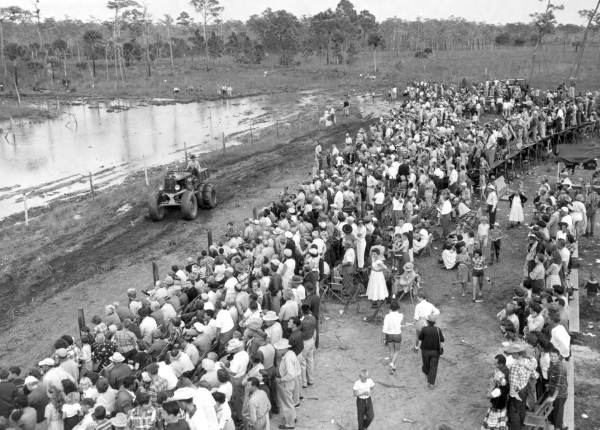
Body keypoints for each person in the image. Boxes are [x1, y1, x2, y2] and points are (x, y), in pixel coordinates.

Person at [274, 339, 300, 429]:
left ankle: (289, 424)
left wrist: (281, 380)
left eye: (279, 349)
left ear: (284, 349)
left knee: (286, 403)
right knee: (290, 402)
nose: (277, 351)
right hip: (290, 383)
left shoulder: (288, 359)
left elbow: (291, 374)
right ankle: (293, 417)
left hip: (286, 384)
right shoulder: (290, 353)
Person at [481, 355, 509, 430]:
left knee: (494, 421)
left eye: (496, 364)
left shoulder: (502, 377)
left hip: (498, 401)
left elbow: (490, 395)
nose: (495, 365)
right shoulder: (504, 370)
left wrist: (491, 391)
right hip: (501, 399)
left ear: (501, 364)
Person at [418, 313, 444, 389]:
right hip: (435, 352)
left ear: (428, 321)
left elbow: (420, 338)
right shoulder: (438, 329)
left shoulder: (424, 329)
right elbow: (442, 339)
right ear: (434, 322)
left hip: (425, 351)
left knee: (426, 365)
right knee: (434, 367)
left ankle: (427, 375)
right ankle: (431, 383)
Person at [545, 348, 568, 430]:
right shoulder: (553, 364)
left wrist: (553, 397)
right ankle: (564, 426)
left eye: (554, 356)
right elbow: (553, 378)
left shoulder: (560, 367)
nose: (552, 358)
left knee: (557, 417)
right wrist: (549, 385)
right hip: (554, 392)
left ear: (559, 356)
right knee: (557, 414)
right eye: (551, 356)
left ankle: (559, 427)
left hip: (559, 395)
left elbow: (559, 385)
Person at [382, 301, 403, 374]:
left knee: (391, 351)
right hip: (397, 334)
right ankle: (392, 363)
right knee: (397, 351)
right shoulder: (400, 315)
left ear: (390, 308)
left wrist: (384, 338)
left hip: (389, 334)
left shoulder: (387, 316)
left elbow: (385, 328)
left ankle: (393, 366)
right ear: (398, 308)